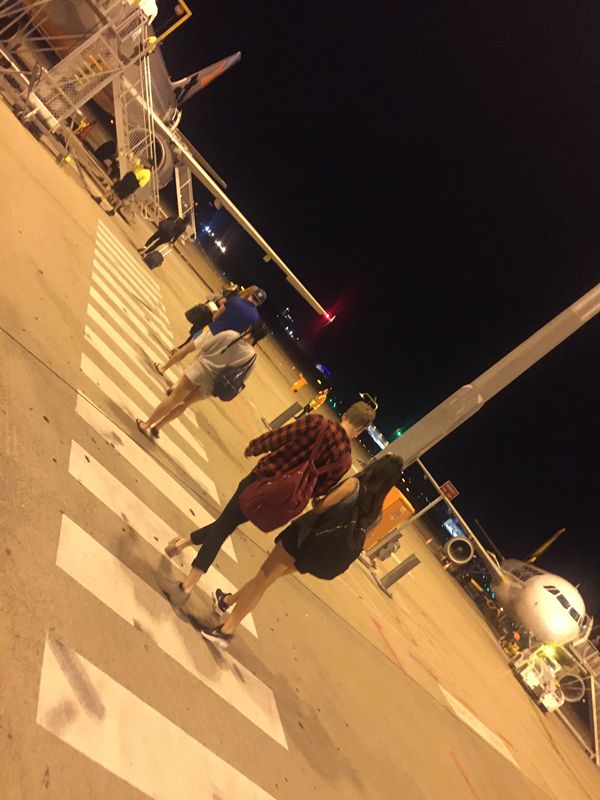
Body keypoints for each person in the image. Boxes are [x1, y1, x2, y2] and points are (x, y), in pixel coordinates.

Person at [162, 401, 377, 606]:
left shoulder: (318, 423)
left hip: (261, 480)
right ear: (360, 430)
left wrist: (255, 447)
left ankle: (187, 586)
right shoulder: (344, 461)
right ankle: (181, 543)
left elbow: (280, 437)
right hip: (282, 501)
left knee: (224, 525)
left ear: (345, 414)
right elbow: (320, 489)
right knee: (228, 522)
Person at [201, 455, 404, 648]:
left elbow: (321, 507)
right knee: (266, 579)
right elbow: (362, 539)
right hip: (317, 552)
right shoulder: (376, 513)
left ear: (375, 468)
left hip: (302, 537)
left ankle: (227, 630)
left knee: (263, 579)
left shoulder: (354, 485)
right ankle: (226, 602)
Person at [136, 320, 269, 437]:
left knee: (174, 398)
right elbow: (242, 379)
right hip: (212, 385)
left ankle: (146, 424)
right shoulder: (252, 358)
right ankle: (158, 427)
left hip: (199, 370)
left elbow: (206, 347)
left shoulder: (230, 335)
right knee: (185, 404)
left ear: (250, 327)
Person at [157, 286, 267, 374]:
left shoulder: (235, 301)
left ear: (251, 295)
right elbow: (245, 335)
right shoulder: (255, 318)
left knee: (186, 349)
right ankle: (177, 386)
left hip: (212, 330)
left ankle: (164, 368)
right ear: (260, 303)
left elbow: (216, 316)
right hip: (224, 342)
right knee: (200, 364)